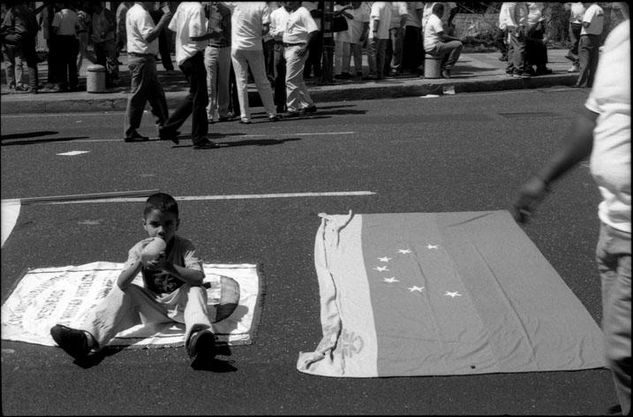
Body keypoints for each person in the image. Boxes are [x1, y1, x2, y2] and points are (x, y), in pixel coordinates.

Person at [512, 7, 630, 415]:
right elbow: (593, 119)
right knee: (621, 353)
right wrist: (543, 179)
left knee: (624, 351)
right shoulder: (619, 38)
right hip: (614, 226)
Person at [50, 192, 217, 369]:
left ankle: (198, 340)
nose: (161, 230)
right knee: (125, 291)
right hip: (152, 305)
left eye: (168, 224)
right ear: (144, 225)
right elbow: (122, 283)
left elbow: (198, 278)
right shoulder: (139, 249)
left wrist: (167, 266)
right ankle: (88, 338)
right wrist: (141, 261)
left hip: (182, 306)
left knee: (196, 290)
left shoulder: (185, 247)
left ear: (177, 224)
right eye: (155, 224)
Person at [159, 1, 217, 149]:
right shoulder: (197, 8)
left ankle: (168, 128)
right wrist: (214, 33)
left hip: (183, 55)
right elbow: (195, 37)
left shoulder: (183, 5)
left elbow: (173, 27)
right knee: (201, 98)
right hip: (193, 56)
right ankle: (199, 138)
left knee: (194, 96)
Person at [123, 2, 171, 142]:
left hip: (142, 59)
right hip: (142, 59)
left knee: (156, 95)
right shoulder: (141, 14)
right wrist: (164, 20)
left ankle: (164, 127)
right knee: (138, 96)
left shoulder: (134, 11)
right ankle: (130, 131)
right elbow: (149, 36)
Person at [227, 2, 279, 124]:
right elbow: (265, 28)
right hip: (255, 46)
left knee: (241, 83)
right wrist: (255, 34)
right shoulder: (262, 5)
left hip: (237, 46)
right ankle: (271, 113)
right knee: (262, 80)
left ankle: (245, 116)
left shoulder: (235, 3)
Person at [281, 1, 318, 117]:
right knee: (297, 79)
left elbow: (313, 31)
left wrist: (305, 47)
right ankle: (308, 105)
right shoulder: (293, 12)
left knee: (290, 80)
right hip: (289, 48)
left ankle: (292, 108)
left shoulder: (303, 12)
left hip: (297, 48)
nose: (288, 2)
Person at [0, 1, 40, 93]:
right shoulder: (30, 11)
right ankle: (33, 87)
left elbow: (5, 26)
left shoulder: (13, 11)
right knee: (31, 63)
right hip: (30, 38)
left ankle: (12, 84)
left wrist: (6, 36)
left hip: (17, 38)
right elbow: (36, 27)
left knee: (10, 62)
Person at [203, 1, 232, 123]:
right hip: (210, 47)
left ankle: (223, 112)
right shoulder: (205, 9)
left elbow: (228, 31)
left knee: (224, 81)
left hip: (225, 47)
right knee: (210, 82)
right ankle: (209, 113)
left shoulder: (226, 10)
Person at [423, 3, 462, 79]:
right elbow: (443, 36)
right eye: (443, 12)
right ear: (440, 11)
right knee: (458, 44)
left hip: (429, 45)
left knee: (450, 45)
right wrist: (456, 39)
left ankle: (443, 66)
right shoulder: (436, 20)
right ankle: (447, 68)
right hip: (434, 46)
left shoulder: (430, 18)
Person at [51, 1, 80, 92]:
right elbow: (78, 27)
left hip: (62, 40)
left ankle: (63, 84)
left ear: (62, 4)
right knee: (72, 64)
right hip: (72, 39)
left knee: (62, 64)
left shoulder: (58, 15)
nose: (56, 5)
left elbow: (55, 29)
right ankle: (73, 84)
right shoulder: (74, 14)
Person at [574, 2, 604, 88]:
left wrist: (580, 19)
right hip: (597, 37)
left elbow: (586, 24)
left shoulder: (590, 9)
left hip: (587, 37)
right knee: (593, 62)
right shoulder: (600, 9)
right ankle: (591, 82)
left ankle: (581, 83)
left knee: (584, 61)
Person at [91, 1, 119, 88]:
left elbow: (113, 25)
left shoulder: (107, 12)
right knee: (100, 61)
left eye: (94, 7)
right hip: (97, 41)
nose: (93, 9)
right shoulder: (94, 15)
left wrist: (105, 32)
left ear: (97, 6)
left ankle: (114, 79)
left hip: (108, 40)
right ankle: (104, 79)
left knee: (111, 60)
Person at [269, 2, 290, 112]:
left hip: (292, 45)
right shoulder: (275, 14)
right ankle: (280, 103)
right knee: (279, 76)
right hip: (279, 45)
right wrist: (279, 33)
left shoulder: (298, 12)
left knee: (291, 77)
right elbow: (270, 31)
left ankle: (291, 103)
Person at [366, 1, 391, 80]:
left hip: (376, 34)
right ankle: (380, 73)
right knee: (381, 54)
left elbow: (376, 19)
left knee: (372, 53)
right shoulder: (388, 5)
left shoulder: (376, 4)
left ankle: (373, 73)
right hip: (385, 34)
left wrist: (374, 31)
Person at [525, 2, 552, 76]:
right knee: (528, 46)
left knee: (542, 45)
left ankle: (541, 67)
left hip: (539, 21)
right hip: (529, 23)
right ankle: (528, 67)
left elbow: (544, 9)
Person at [345, 1, 369, 78]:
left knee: (357, 55)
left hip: (357, 36)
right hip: (347, 36)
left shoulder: (364, 11)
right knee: (346, 55)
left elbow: (366, 24)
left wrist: (363, 34)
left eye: (355, 2)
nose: (353, 3)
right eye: (352, 2)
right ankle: (346, 71)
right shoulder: (348, 9)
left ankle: (359, 70)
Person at [401, 1, 424, 75]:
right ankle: (412, 68)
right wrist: (422, 24)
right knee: (414, 49)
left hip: (405, 25)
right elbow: (419, 12)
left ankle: (405, 67)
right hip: (414, 25)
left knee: (406, 48)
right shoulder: (418, 3)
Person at [301, 1, 322, 79]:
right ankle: (306, 74)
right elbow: (313, 14)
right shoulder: (304, 3)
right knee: (308, 54)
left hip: (318, 31)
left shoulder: (319, 3)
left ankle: (318, 73)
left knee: (317, 54)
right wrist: (318, 12)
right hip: (308, 32)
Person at [565, 2, 585, 73]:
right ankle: (575, 65)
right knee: (574, 44)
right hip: (573, 22)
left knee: (583, 45)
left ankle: (583, 65)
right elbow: (566, 6)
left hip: (585, 23)